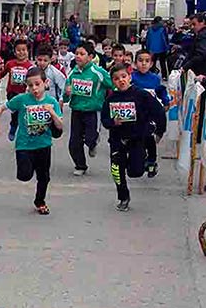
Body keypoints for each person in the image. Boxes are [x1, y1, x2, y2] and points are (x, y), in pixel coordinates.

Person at [0, 67, 63, 215]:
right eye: (30, 85)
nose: (34, 88)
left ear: (46, 83)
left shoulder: (52, 102)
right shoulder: (22, 99)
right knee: (24, 175)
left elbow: (60, 126)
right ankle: (28, 171)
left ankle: (40, 201)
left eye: (37, 84)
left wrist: (52, 112)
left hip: (44, 145)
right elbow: (1, 108)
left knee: (44, 177)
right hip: (24, 145)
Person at [101, 64, 166, 211]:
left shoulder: (141, 95)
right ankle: (123, 197)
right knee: (116, 170)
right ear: (113, 82)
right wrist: (113, 122)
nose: (121, 81)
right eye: (117, 79)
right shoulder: (111, 99)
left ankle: (146, 161)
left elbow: (159, 111)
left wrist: (159, 130)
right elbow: (104, 120)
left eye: (124, 77)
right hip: (117, 140)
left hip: (137, 138)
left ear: (130, 77)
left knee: (135, 172)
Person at [63, 41, 114, 176]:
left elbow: (112, 85)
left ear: (90, 57)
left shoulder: (98, 72)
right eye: (76, 54)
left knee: (90, 138)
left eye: (82, 54)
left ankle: (93, 144)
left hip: (93, 111)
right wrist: (67, 94)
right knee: (74, 142)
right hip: (77, 111)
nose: (78, 56)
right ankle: (80, 165)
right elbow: (66, 96)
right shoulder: (72, 73)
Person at [0, 39, 33, 142]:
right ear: (15, 52)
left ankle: (24, 132)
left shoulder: (30, 67)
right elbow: (1, 74)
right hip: (12, 93)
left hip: (25, 94)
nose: (21, 52)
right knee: (15, 112)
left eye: (24, 50)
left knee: (24, 113)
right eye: (19, 50)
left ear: (28, 51)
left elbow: (36, 79)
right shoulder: (10, 64)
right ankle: (13, 126)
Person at [131, 49, 170, 177]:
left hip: (150, 115)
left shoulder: (155, 79)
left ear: (152, 64)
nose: (143, 64)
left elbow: (161, 92)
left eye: (147, 61)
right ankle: (139, 159)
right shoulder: (132, 77)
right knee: (136, 138)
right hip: (135, 114)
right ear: (135, 63)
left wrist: (165, 102)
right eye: (140, 61)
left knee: (148, 137)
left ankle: (152, 160)